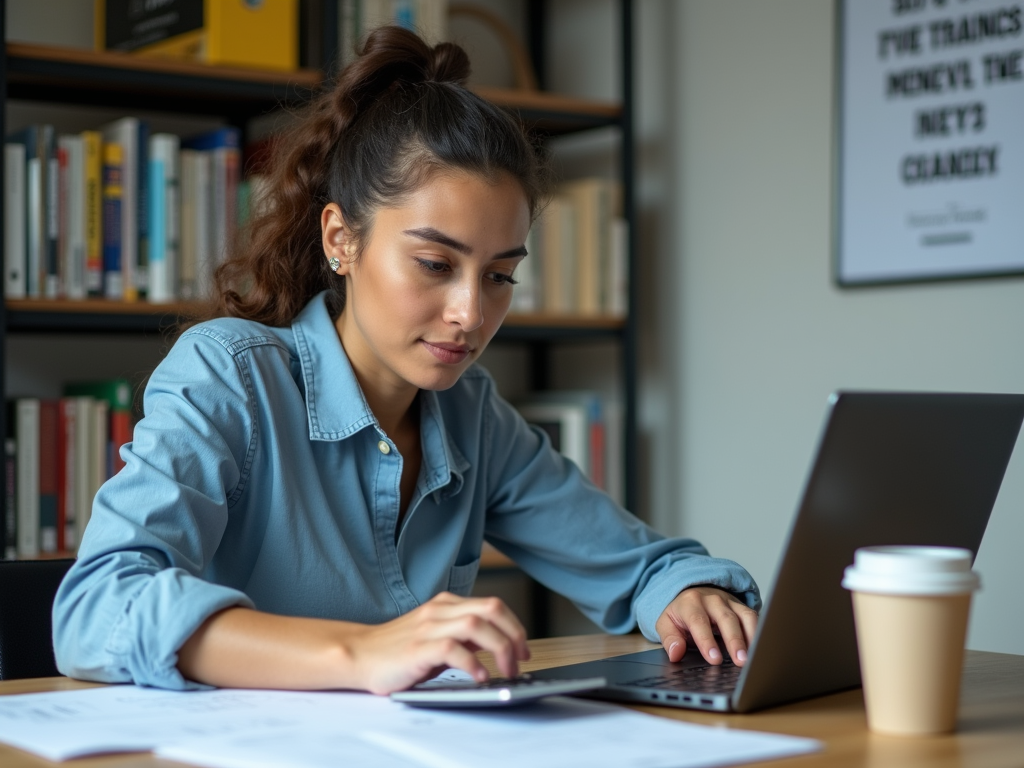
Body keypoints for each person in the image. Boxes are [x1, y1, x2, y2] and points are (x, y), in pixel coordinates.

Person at [53, 27, 760, 694]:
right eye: (433, 263)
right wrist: (361, 652)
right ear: (342, 239)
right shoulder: (228, 377)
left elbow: (639, 565)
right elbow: (95, 608)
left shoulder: (471, 414)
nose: (470, 313)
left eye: (499, 275)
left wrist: (688, 592)